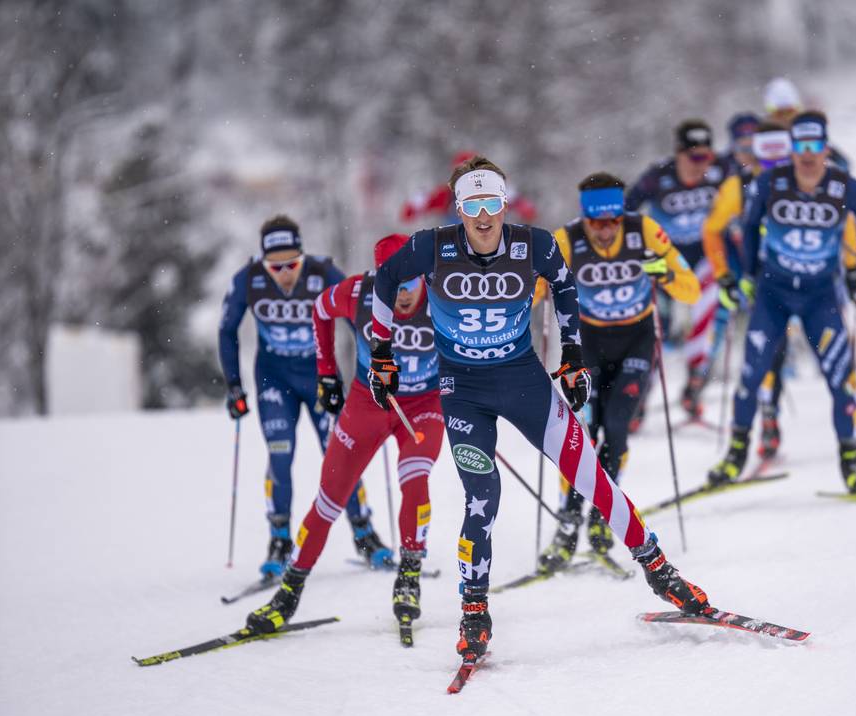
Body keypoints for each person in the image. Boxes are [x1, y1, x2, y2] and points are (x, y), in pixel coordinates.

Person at [366, 155, 709, 661]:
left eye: (491, 203)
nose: (483, 216)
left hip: (523, 380)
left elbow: (566, 287)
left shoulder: (535, 244)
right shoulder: (431, 246)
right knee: (483, 496)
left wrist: (571, 355)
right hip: (463, 391)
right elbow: (385, 280)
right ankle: (475, 610)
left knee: (592, 474)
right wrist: (380, 353)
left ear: (504, 203)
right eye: (471, 204)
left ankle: (660, 571)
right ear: (458, 208)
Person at [709, 112, 856, 491]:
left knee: (840, 379)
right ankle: (736, 455)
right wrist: (744, 277)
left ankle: (851, 463)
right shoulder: (768, 183)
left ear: (826, 147)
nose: (808, 155)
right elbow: (748, 228)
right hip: (773, 295)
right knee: (751, 376)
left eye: (815, 146)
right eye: (800, 146)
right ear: (791, 149)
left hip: (819, 298)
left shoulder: (847, 188)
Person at [245, 233, 448, 634]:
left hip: (424, 406)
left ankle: (408, 579)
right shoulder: (359, 292)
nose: (403, 296)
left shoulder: (443, 291)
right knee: (329, 500)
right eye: (394, 286)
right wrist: (326, 374)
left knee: (415, 478)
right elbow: (320, 310)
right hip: (368, 403)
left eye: (410, 285)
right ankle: (288, 592)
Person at [536, 172, 699, 572]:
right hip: (589, 346)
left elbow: (690, 288)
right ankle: (569, 520)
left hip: (637, 342)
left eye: (612, 220)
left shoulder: (643, 230)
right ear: (585, 218)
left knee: (618, 425)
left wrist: (661, 268)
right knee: (581, 435)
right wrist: (538, 287)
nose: (606, 230)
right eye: (597, 222)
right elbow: (533, 290)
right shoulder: (566, 239)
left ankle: (602, 517)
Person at [218, 215, 382, 577]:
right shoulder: (248, 280)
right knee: (280, 451)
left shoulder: (322, 274)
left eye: (292, 264)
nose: (285, 273)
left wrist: (378, 368)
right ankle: (279, 539)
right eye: (275, 266)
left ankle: (364, 532)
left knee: (341, 453)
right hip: (274, 377)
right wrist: (234, 386)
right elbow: (227, 330)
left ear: (303, 257)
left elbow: (363, 317)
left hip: (320, 377)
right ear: (263, 262)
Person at [626, 119, 734, 419]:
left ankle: (694, 387)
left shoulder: (722, 171)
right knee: (655, 325)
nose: (701, 165)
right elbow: (626, 211)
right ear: (679, 154)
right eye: (694, 157)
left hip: (704, 255)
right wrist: (639, 247)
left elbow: (747, 189)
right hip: (667, 258)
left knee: (707, 319)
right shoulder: (658, 176)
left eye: (707, 157)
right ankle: (640, 395)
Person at [400, 150, 538, 226]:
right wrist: (416, 204)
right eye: (461, 174)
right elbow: (409, 213)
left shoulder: (493, 189)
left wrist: (518, 204)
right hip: (456, 248)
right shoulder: (446, 195)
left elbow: (528, 211)